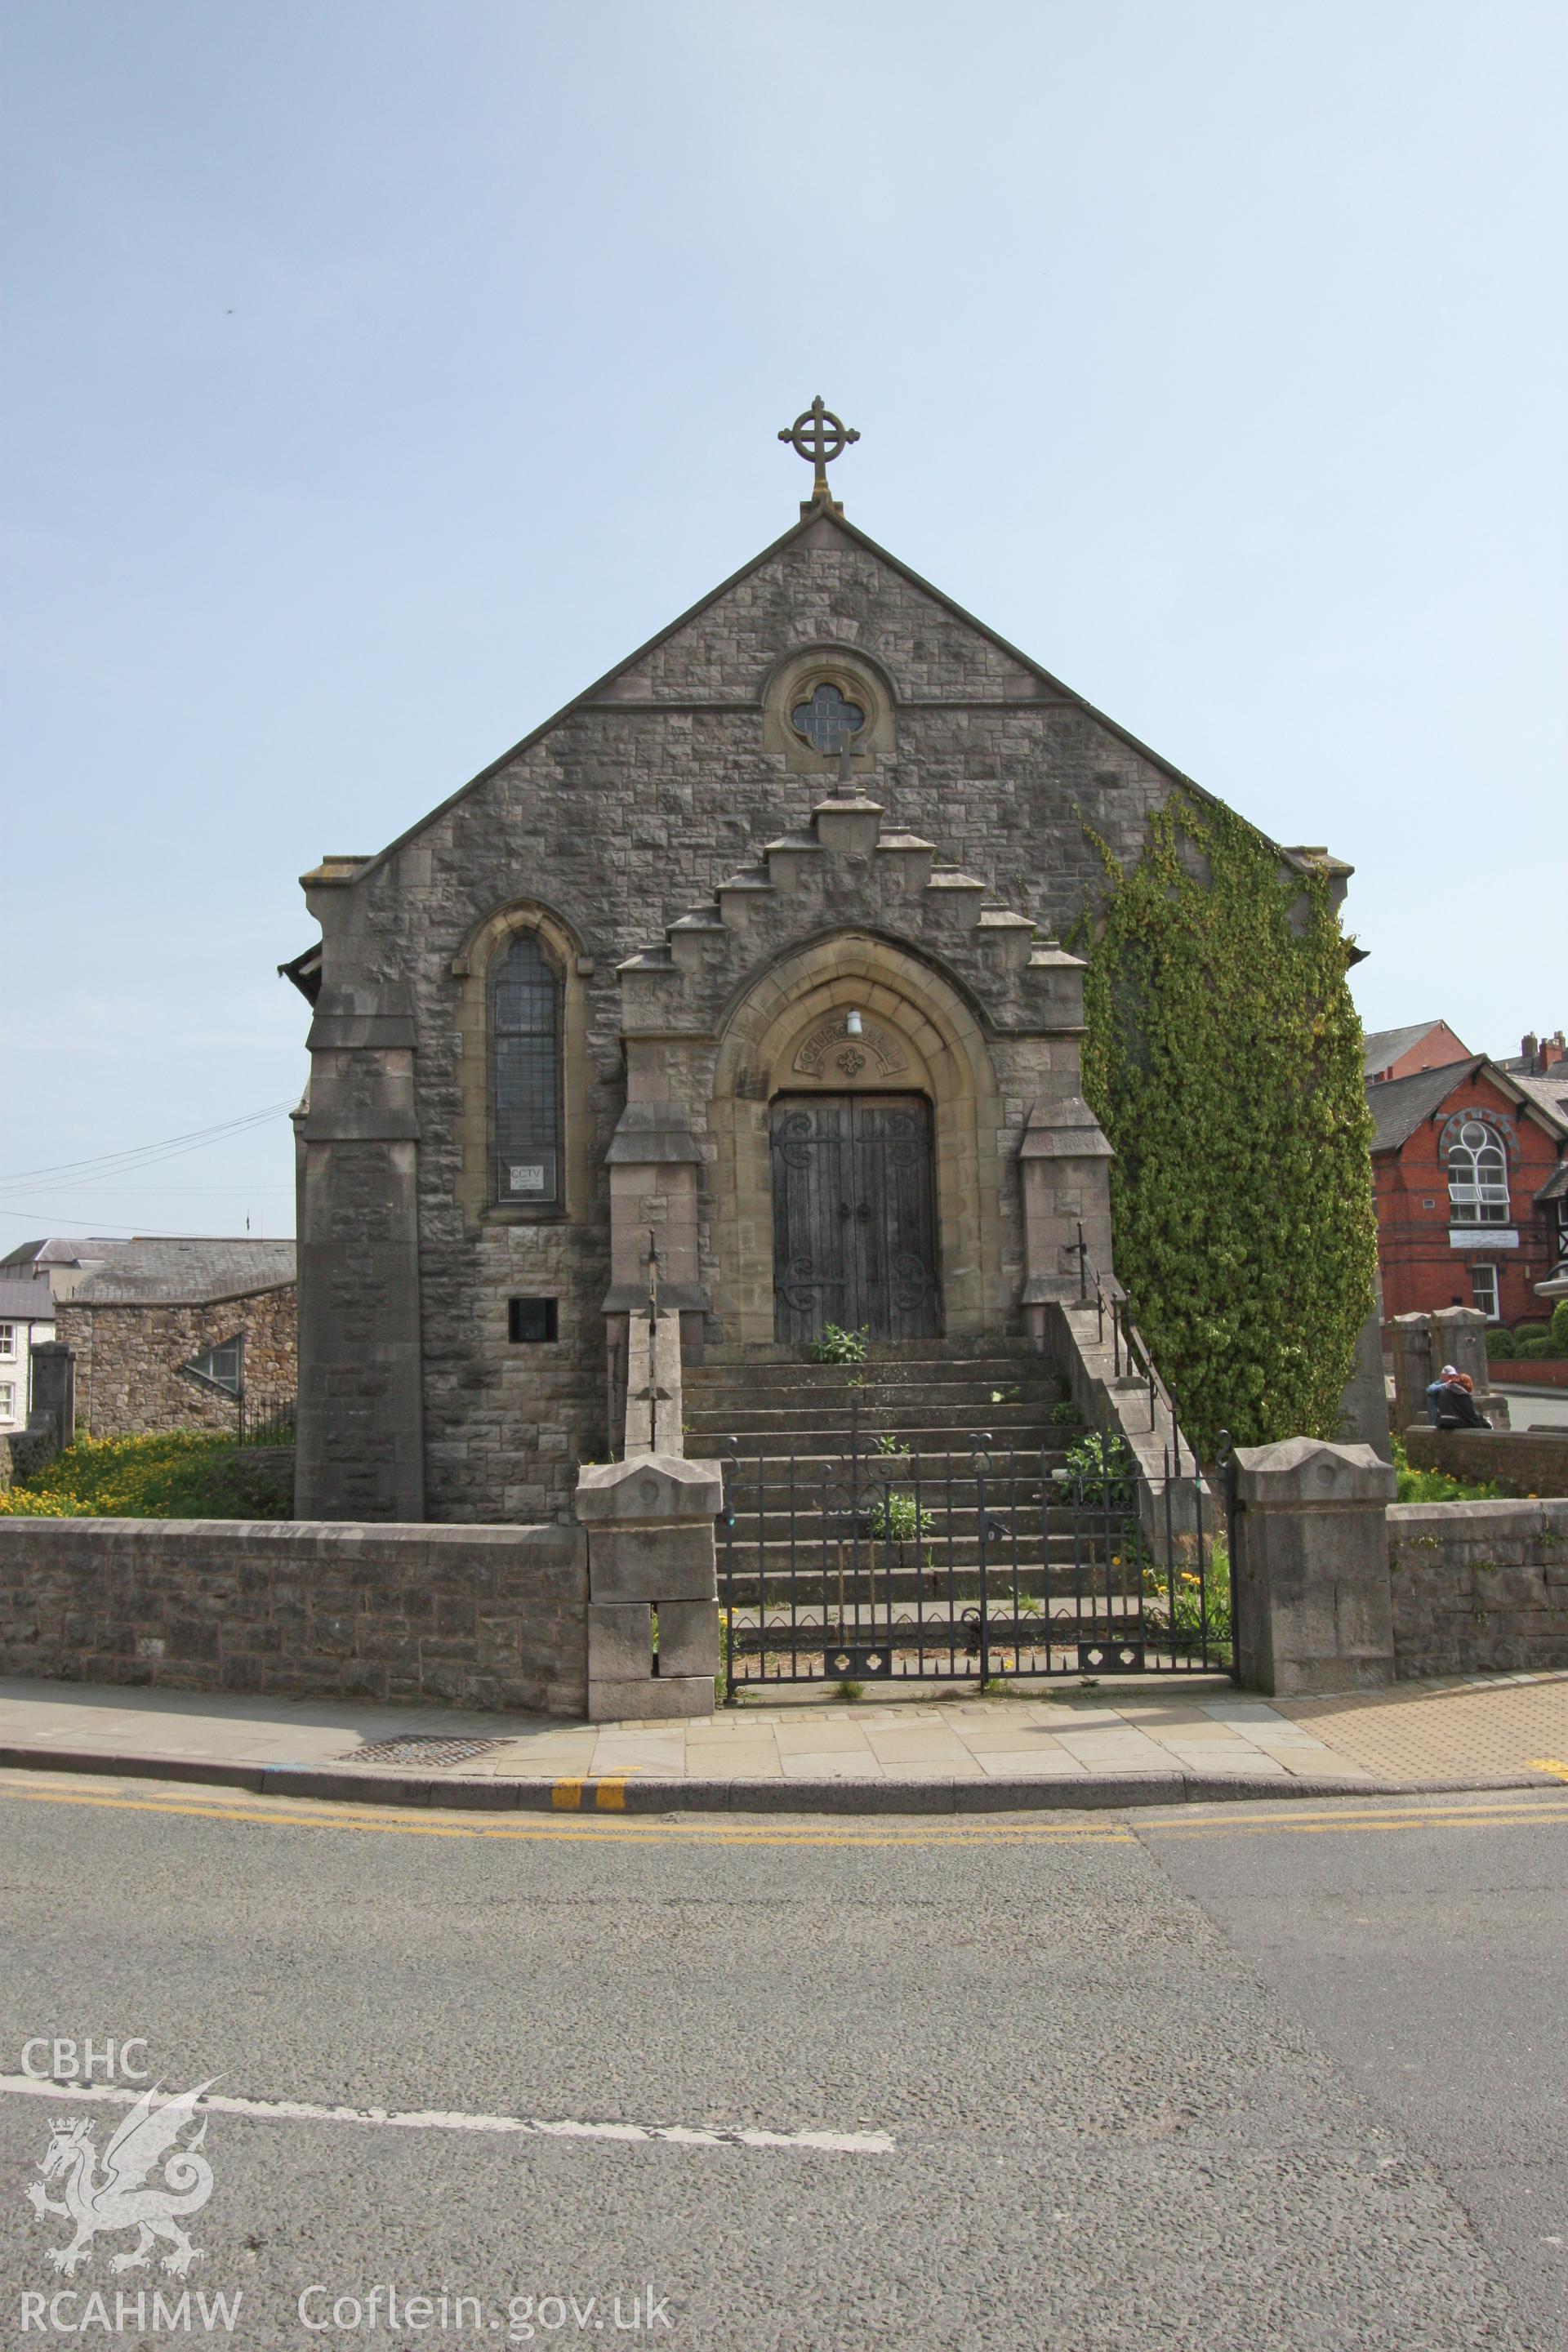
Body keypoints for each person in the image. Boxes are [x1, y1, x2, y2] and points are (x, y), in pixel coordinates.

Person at [1425, 1364, 1491, 1430]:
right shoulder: (1456, 1390)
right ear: (1443, 1376)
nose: (1452, 1378)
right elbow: (1470, 1412)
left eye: (1454, 1376)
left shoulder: (1451, 1389)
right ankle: (1432, 1423)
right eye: (1450, 1376)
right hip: (1454, 1421)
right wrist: (1446, 1384)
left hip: (1446, 1420)